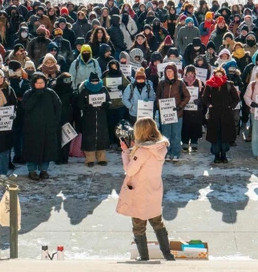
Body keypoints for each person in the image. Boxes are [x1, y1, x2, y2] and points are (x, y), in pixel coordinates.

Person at [117, 118, 174, 261]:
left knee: (138, 225)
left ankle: (144, 257)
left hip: (140, 191)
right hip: (154, 189)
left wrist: (125, 153)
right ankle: (168, 254)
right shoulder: (160, 147)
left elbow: (130, 171)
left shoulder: (142, 151)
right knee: (157, 222)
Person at [21, 73, 62, 180]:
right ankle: (32, 171)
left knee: (47, 149)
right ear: (33, 84)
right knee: (32, 150)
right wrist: (35, 95)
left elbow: (58, 107)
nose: (40, 85)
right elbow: (26, 107)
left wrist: (55, 121)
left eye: (42, 83)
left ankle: (44, 170)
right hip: (32, 128)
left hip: (48, 127)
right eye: (37, 83)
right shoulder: (28, 94)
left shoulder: (51, 93)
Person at [202, 67, 240, 164]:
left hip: (226, 114)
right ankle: (216, 155)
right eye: (217, 75)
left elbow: (236, 98)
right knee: (215, 136)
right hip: (214, 114)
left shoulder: (229, 85)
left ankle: (224, 154)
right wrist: (209, 105)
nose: (219, 77)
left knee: (225, 135)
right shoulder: (210, 85)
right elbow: (204, 97)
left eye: (220, 75)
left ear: (223, 75)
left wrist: (230, 106)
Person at [155, 63, 190, 161]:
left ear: (174, 72)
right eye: (167, 71)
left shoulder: (180, 83)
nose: (168, 73)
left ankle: (175, 153)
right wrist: (160, 105)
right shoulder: (161, 83)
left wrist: (180, 107)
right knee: (166, 135)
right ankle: (166, 153)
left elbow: (187, 96)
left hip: (177, 114)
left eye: (170, 71)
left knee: (176, 134)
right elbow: (157, 96)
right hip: (165, 114)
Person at [79, 72, 112, 167]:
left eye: (96, 81)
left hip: (101, 116)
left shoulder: (103, 89)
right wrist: (86, 107)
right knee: (89, 138)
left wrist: (107, 104)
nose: (94, 83)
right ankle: (90, 159)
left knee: (102, 136)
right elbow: (79, 104)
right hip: (89, 117)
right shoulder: (85, 90)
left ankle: (102, 158)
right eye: (93, 81)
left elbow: (109, 101)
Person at [180, 65, 204, 154]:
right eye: (188, 73)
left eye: (192, 73)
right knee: (185, 125)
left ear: (194, 73)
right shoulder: (182, 82)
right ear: (185, 73)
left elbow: (203, 94)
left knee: (195, 125)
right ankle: (185, 142)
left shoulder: (199, 82)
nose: (190, 75)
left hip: (196, 109)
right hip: (185, 109)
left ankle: (194, 141)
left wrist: (200, 100)